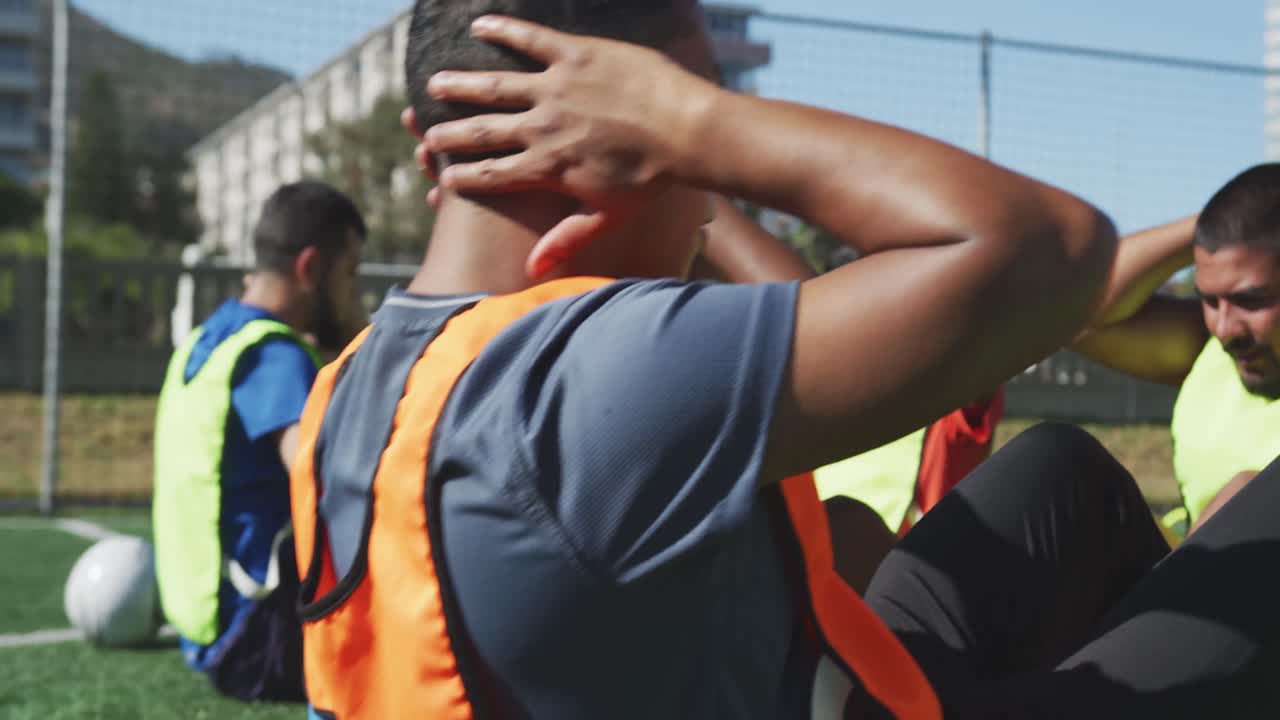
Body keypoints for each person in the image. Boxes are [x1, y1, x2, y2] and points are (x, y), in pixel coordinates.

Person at [288, 3, 1279, 718]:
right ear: (617, 136)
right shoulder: (600, 368)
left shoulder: (351, 388)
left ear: (423, 142)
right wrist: (693, 125)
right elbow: (1055, 254)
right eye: (675, 107)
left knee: (1058, 474)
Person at [695, 196, 1006, 591]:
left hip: (895, 595)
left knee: (847, 525)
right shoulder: (819, 384)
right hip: (809, 582)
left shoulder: (949, 394)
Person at [152, 181, 366, 702]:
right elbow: (325, 479)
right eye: (350, 273)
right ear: (311, 268)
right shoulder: (275, 356)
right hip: (257, 641)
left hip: (206, 631)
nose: (353, 292)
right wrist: (365, 346)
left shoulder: (210, 341)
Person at [1075, 165, 1280, 535]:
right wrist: (1223, 221)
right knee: (1055, 459)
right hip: (1183, 561)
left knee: (1252, 494)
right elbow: (1076, 312)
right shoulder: (1214, 351)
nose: (1224, 329)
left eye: (1251, 300)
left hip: (1226, 567)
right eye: (1210, 300)